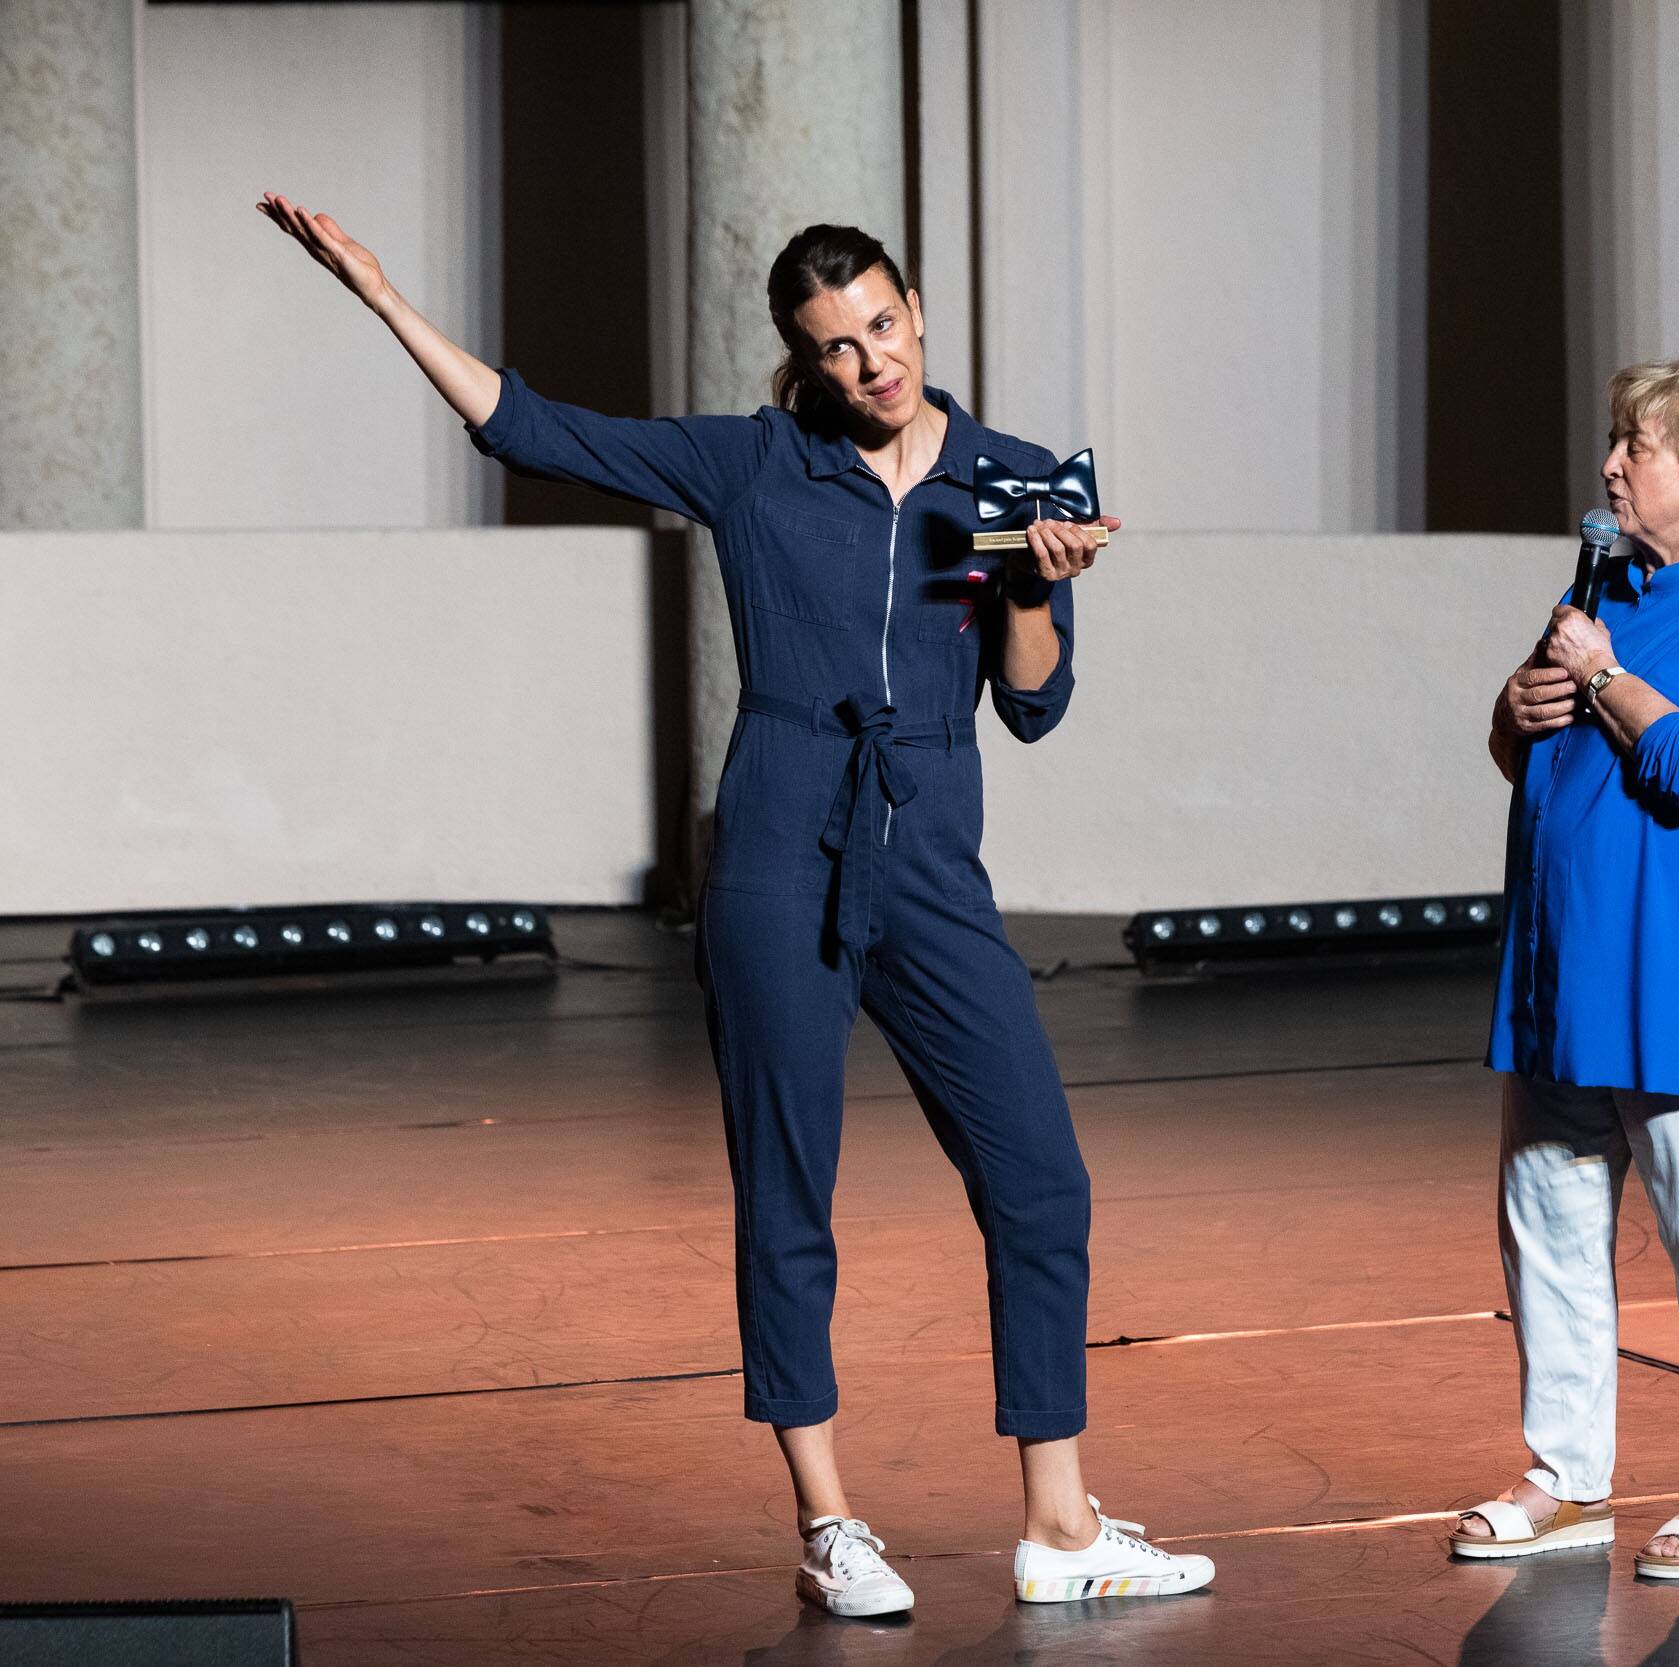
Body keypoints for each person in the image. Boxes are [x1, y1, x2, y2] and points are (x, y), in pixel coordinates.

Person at [256, 195, 1213, 1616]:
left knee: (1040, 1179)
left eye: (882, 325)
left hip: (931, 852)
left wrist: (1032, 585)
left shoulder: (1009, 475)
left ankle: (1059, 1523)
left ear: (917, 312)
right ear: (805, 360)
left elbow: (1034, 703)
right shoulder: (756, 464)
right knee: (787, 1183)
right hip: (778, 839)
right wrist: (385, 298)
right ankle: (829, 1519)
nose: (872, 362)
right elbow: (535, 426)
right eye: (837, 346)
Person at [1452, 356, 1679, 1581]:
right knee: (1548, 1219)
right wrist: (1516, 705)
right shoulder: (1596, 585)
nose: (1610, 464)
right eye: (1615, 440)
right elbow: (1527, 752)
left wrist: (1602, 671)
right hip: (1563, 963)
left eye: (1636, 446)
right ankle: (1565, 1475)